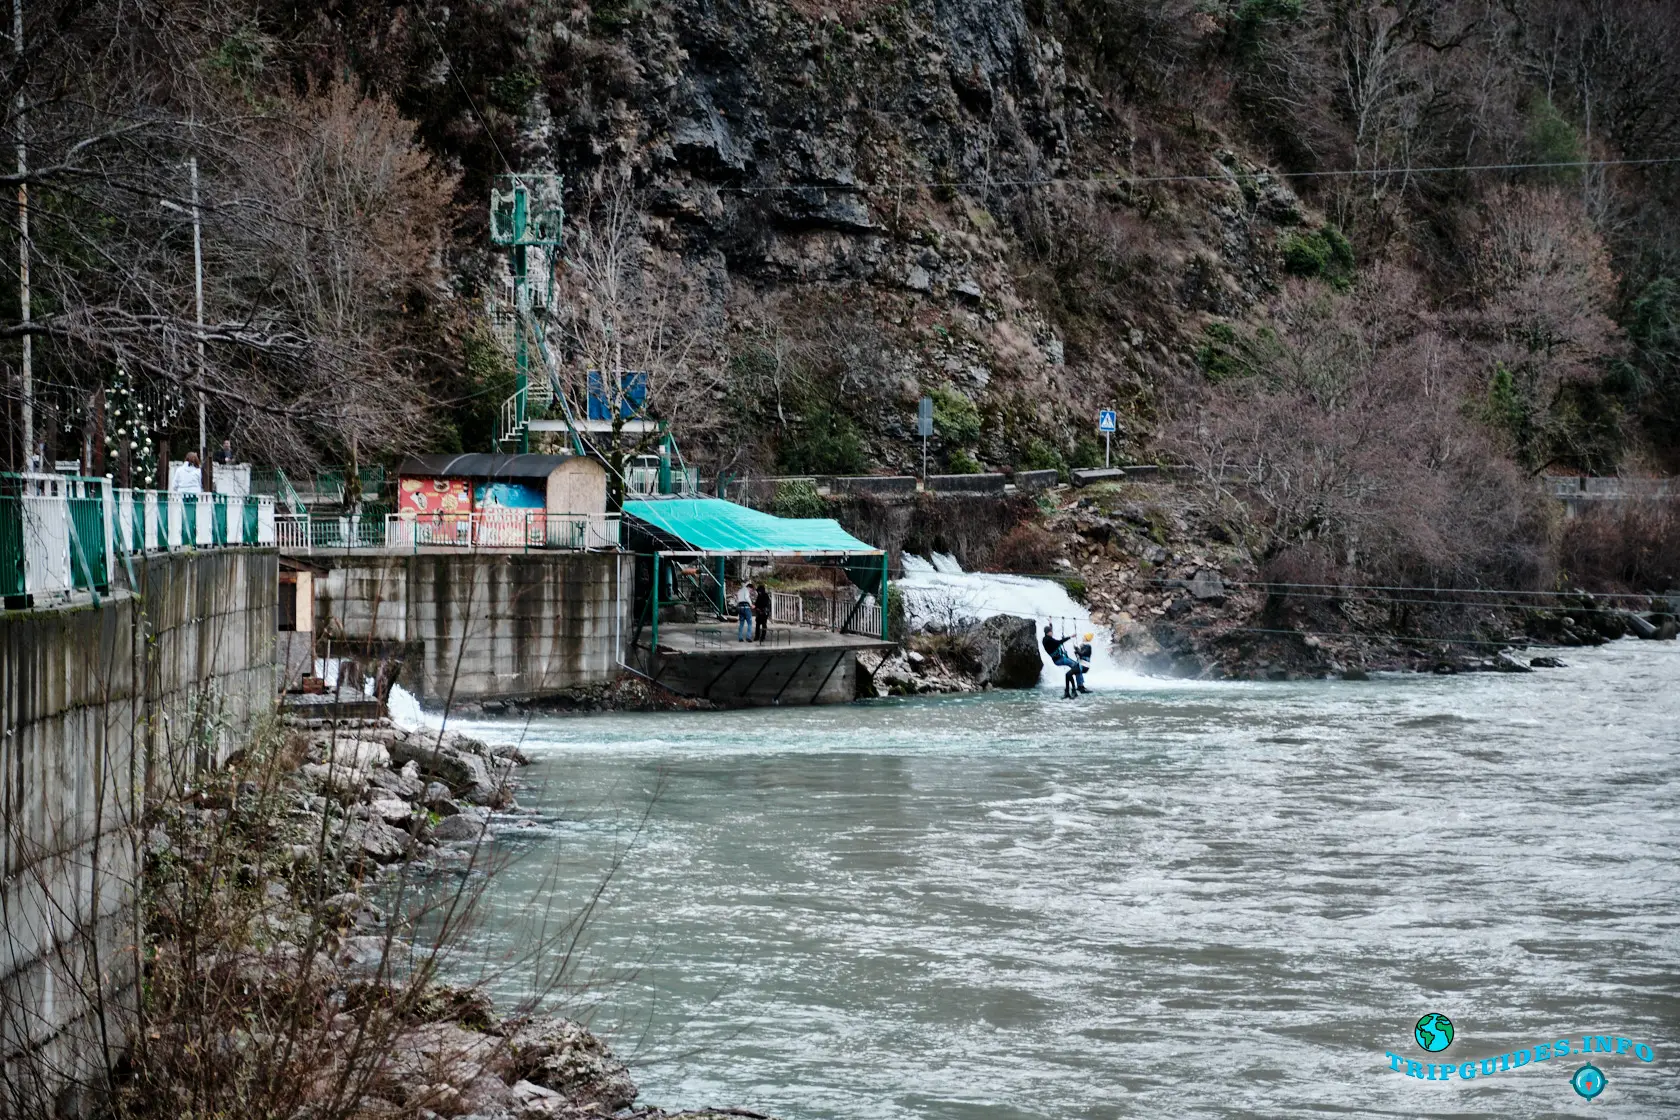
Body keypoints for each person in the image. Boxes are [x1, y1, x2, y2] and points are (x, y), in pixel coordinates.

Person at [1043, 621, 1088, 698]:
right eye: (1051, 631)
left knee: (1077, 667)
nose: (1052, 633)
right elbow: (1059, 642)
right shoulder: (1048, 640)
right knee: (1077, 666)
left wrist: (1050, 623)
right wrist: (1070, 636)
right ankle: (1080, 686)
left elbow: (1051, 634)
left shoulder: (1047, 638)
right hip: (1059, 660)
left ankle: (1079, 686)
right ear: (1049, 633)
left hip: (1060, 659)